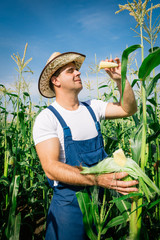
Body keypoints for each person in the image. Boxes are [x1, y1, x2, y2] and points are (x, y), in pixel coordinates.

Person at [33, 51, 138, 240]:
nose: (78, 73)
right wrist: (98, 179)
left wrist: (120, 80)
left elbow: (128, 109)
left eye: (77, 69)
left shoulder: (93, 108)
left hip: (100, 203)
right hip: (69, 207)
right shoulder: (47, 118)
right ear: (55, 81)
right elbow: (51, 168)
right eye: (71, 70)